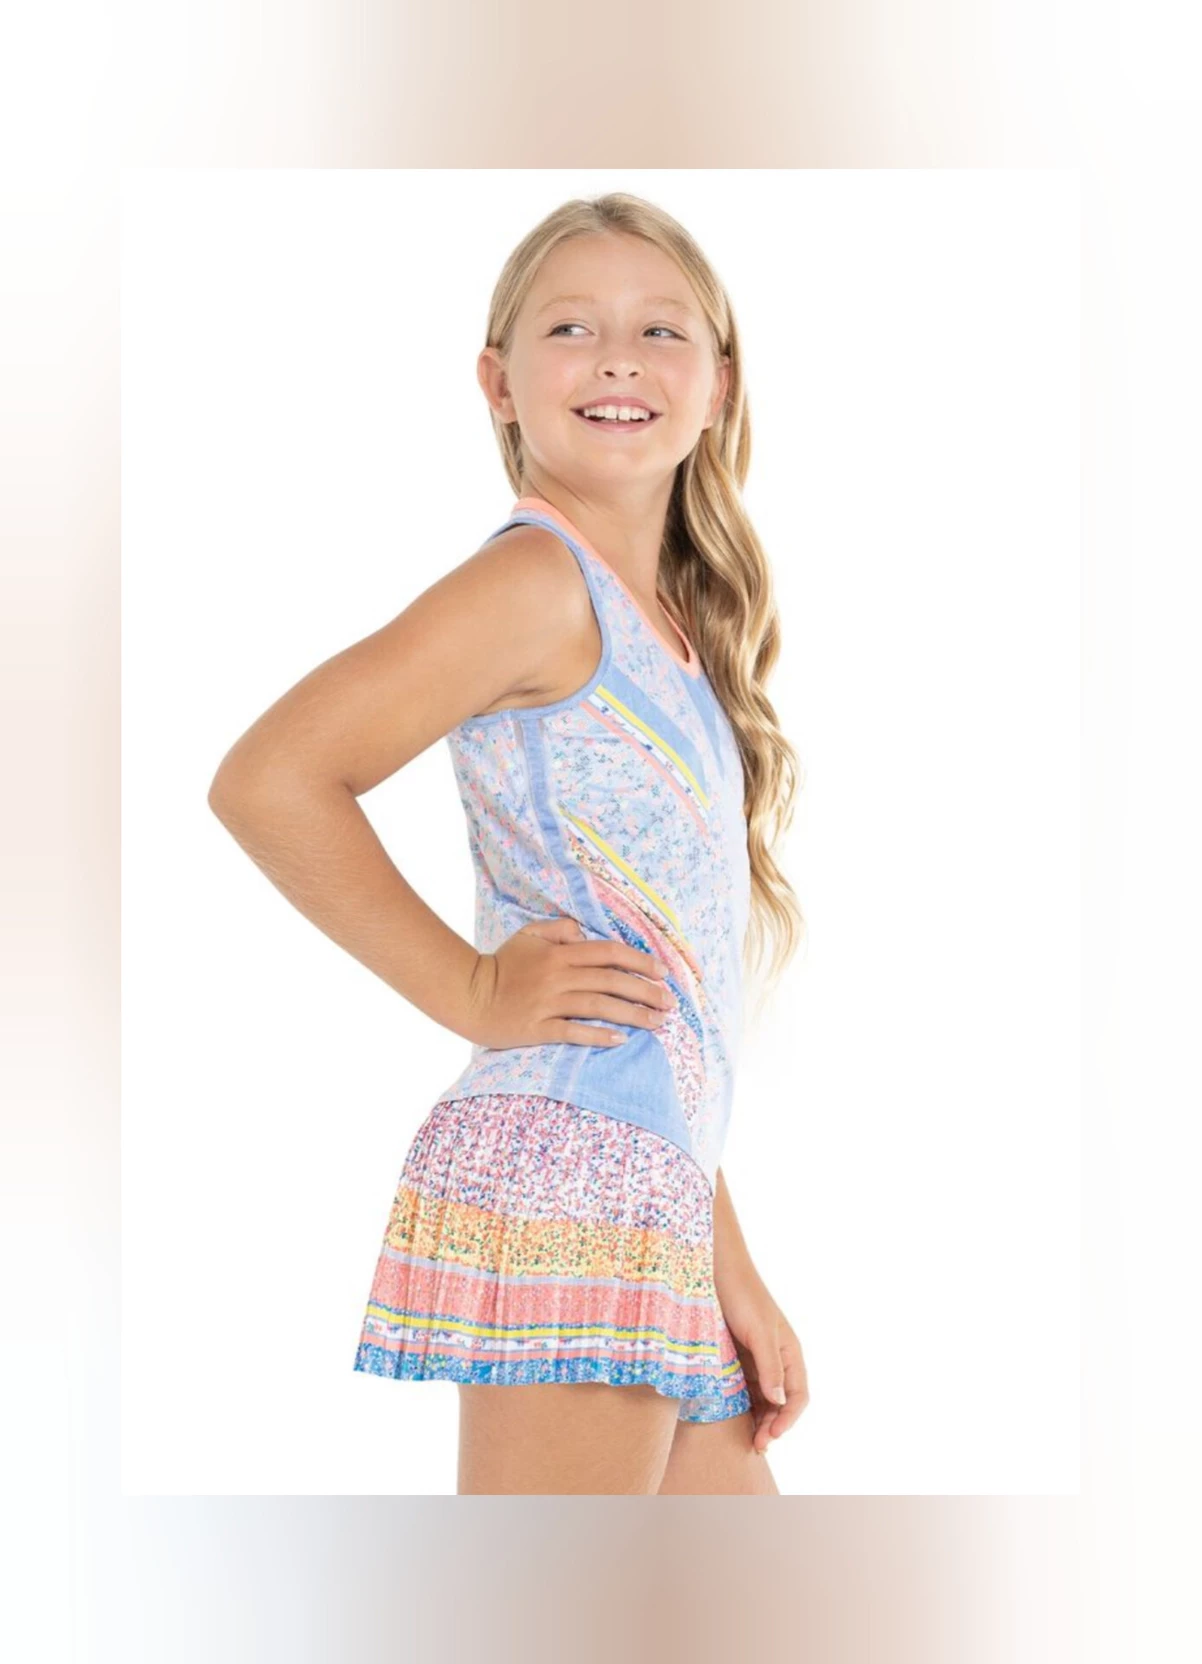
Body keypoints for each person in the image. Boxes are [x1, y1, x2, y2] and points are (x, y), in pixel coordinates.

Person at [208, 191, 808, 1495]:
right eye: (570, 328)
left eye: (660, 330)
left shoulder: (667, 629)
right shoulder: (533, 585)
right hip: (572, 1183)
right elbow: (271, 778)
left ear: (717, 385)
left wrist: (729, 1263)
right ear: (498, 383)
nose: (616, 359)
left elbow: (654, 1004)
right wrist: (474, 989)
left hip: (647, 1186)